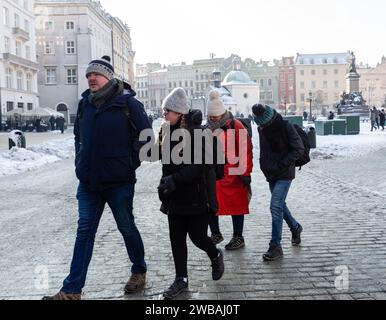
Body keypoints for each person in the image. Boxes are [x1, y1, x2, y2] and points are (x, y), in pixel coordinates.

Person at [42, 56, 153, 300]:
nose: (91, 78)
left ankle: (139, 269)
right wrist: (79, 161)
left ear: (109, 77)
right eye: (88, 75)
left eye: (97, 74)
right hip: (89, 183)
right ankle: (72, 289)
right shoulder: (85, 104)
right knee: (84, 231)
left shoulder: (128, 103)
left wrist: (129, 163)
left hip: (119, 183)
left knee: (126, 227)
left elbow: (147, 137)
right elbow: (78, 137)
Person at [157, 88, 224, 300]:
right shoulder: (167, 131)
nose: (164, 114)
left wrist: (173, 180)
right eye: (164, 110)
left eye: (168, 110)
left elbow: (198, 167)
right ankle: (181, 280)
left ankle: (215, 254)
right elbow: (166, 165)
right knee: (176, 240)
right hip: (175, 196)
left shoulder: (197, 134)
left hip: (197, 197)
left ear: (179, 112)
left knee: (197, 237)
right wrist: (164, 187)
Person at [252, 104, 304, 261]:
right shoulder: (262, 128)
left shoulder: (285, 126)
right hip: (272, 173)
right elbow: (265, 151)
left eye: (264, 124)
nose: (262, 126)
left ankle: (275, 246)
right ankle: (295, 228)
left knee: (275, 206)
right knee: (280, 205)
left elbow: (298, 149)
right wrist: (265, 167)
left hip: (285, 173)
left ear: (269, 120)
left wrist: (282, 163)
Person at [205, 91, 253, 250]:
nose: (213, 119)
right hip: (214, 174)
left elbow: (246, 150)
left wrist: (245, 173)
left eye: (215, 116)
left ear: (222, 113)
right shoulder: (207, 128)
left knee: (237, 205)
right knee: (210, 204)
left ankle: (238, 237)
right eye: (210, 117)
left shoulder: (236, 125)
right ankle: (215, 233)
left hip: (235, 174)